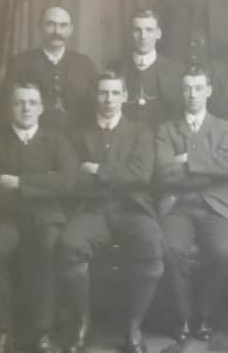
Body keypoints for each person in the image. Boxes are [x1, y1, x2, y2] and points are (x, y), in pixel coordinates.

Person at [58, 72, 163, 353]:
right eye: (103, 93)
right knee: (70, 244)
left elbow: (141, 175)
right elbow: (71, 178)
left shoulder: (141, 131)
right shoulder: (77, 133)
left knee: (152, 245)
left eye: (115, 93)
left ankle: (134, 325)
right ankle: (83, 323)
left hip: (131, 208)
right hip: (91, 209)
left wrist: (98, 170)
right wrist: (114, 176)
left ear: (125, 97)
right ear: (95, 96)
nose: (109, 100)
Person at [0, 81, 77, 353]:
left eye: (32, 102)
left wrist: (21, 183)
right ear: (10, 107)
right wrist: (44, 183)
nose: (26, 108)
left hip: (46, 217)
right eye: (19, 102)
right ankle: (4, 330)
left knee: (48, 249)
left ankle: (43, 332)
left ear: (42, 108)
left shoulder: (56, 140)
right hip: (8, 217)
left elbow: (69, 181)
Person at [156, 68, 228, 342]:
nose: (193, 95)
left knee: (225, 253)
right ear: (181, 93)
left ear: (209, 91)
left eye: (199, 88)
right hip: (177, 205)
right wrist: (208, 170)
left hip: (216, 206)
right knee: (172, 251)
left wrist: (187, 159)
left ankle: (204, 314)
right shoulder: (167, 129)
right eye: (187, 88)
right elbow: (163, 171)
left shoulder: (225, 128)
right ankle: (182, 317)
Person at [0, 6, 97, 130]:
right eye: (50, 25)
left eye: (63, 26)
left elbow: (95, 107)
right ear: (40, 27)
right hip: (36, 141)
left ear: (71, 29)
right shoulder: (21, 63)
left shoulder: (85, 64)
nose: (57, 31)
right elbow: (5, 108)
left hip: (78, 141)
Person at [109, 9, 185, 127]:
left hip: (162, 140)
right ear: (130, 34)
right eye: (137, 30)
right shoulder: (115, 68)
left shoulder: (176, 70)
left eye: (149, 30)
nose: (143, 36)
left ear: (158, 34)